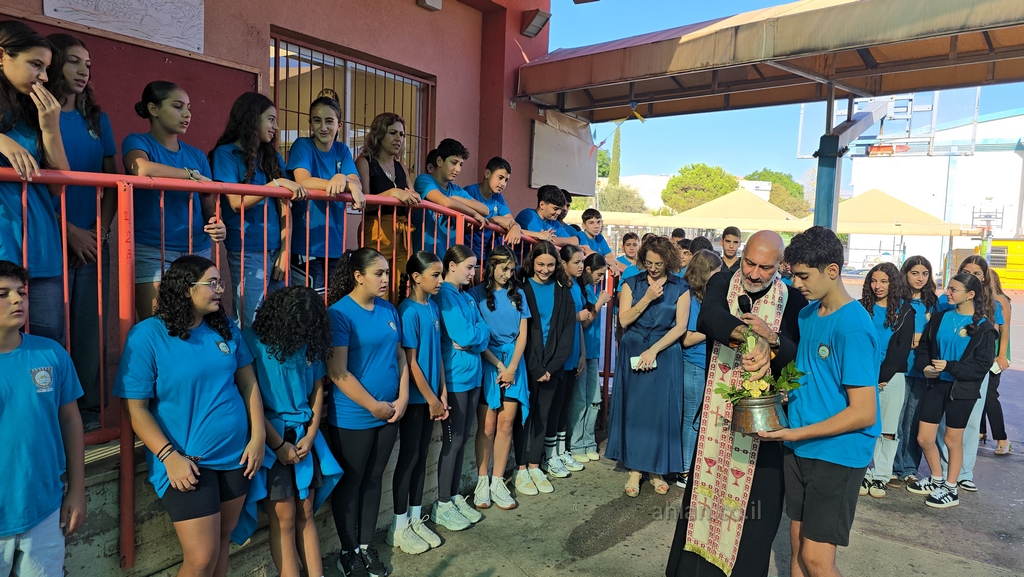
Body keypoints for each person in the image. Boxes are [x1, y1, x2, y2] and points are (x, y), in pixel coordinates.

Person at [668, 230, 807, 577]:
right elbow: (709, 317)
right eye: (749, 263)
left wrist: (773, 341)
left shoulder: (792, 299)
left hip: (764, 424)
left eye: (765, 267)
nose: (754, 274)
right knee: (703, 503)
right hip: (718, 420)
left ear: (781, 265)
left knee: (756, 515)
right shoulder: (723, 281)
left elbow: (796, 354)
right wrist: (750, 337)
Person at [115, 255, 265, 577]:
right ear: (185, 289)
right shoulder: (147, 336)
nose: (220, 290)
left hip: (237, 457)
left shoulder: (225, 328)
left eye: (220, 283)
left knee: (222, 542)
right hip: (186, 461)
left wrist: (258, 438)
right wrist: (169, 456)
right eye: (212, 283)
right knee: (200, 557)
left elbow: (248, 384)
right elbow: (135, 409)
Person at [758, 226, 880, 577]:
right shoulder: (808, 315)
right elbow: (808, 377)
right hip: (800, 447)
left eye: (803, 276)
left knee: (816, 559)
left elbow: (864, 412)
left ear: (832, 270)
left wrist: (795, 433)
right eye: (792, 275)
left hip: (837, 452)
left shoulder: (853, 327)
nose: (795, 284)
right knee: (797, 545)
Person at [232, 287, 342, 577]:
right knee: (284, 518)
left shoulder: (307, 342)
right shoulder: (250, 342)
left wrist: (311, 434)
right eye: (298, 326)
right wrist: (278, 445)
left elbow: (317, 389)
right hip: (271, 440)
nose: (302, 333)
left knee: (306, 512)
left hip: (305, 438)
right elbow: (250, 398)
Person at [44, 32, 118, 430]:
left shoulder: (97, 119)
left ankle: (89, 411)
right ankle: (51, 410)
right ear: (54, 62)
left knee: (90, 327)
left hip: (92, 240)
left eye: (88, 64)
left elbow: (112, 182)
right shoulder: (36, 114)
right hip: (49, 234)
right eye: (74, 61)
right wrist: (68, 230)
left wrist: (99, 233)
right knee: (50, 327)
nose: (83, 70)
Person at [0, 260, 86, 576]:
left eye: (21, 292)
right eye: (3, 293)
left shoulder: (51, 353)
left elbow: (70, 421)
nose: (17, 300)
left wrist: (77, 490)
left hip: (44, 508)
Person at [325, 247, 406, 577]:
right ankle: (348, 551)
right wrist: (373, 406)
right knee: (352, 482)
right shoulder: (339, 314)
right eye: (379, 273)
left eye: (387, 272)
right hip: (354, 416)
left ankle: (365, 545)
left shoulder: (389, 308)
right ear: (358, 276)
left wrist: (402, 398)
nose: (386, 279)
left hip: (390, 412)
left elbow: (400, 355)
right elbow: (337, 371)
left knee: (374, 479)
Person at [123, 81, 227, 320]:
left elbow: (208, 205)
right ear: (153, 108)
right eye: (178, 107)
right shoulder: (137, 141)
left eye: (189, 108)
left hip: (197, 249)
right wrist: (190, 175)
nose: (187, 114)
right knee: (159, 323)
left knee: (196, 321)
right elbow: (141, 169)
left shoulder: (196, 155)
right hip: (153, 249)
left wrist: (216, 223)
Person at [0, 22, 71, 345]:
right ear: (2, 56)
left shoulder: (34, 112)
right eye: (35, 64)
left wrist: (50, 127)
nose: (43, 76)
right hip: (4, 246)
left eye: (46, 69)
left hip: (40, 247)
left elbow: (58, 185)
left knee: (48, 339)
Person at [209, 92, 306, 326]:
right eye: (271, 119)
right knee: (251, 321)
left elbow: (284, 206)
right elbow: (235, 201)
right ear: (253, 118)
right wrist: (275, 185)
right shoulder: (226, 153)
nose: (276, 127)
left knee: (281, 320)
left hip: (276, 250)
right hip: (247, 251)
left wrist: (285, 252)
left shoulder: (272, 156)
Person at [607, 235, 689, 496]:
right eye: (649, 263)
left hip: (664, 351)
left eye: (658, 264)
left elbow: (681, 327)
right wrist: (647, 298)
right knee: (636, 411)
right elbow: (624, 320)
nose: (653, 268)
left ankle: (657, 470)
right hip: (634, 348)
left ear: (668, 262)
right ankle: (635, 468)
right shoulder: (632, 283)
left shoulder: (680, 286)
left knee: (660, 413)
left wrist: (654, 350)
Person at [907, 272, 996, 509]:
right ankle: (936, 479)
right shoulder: (939, 318)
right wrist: (925, 367)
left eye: (953, 289)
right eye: (948, 288)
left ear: (970, 294)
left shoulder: (985, 328)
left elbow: (981, 366)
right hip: (936, 385)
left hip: (962, 390)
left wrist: (949, 366)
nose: (947, 293)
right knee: (924, 438)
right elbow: (924, 347)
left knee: (952, 439)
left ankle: (951, 487)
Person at [933, 255, 1005, 493]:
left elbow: (999, 331)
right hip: (946, 369)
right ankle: (945, 470)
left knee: (972, 421)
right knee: (944, 424)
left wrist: (1001, 356)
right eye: (966, 271)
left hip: (974, 370)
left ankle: (964, 472)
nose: (972, 276)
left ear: (984, 278)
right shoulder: (946, 301)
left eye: (977, 273)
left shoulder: (993, 303)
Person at [431, 244, 489, 531]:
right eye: (468, 267)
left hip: (472, 375)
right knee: (453, 442)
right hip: (455, 378)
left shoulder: (466, 297)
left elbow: (482, 333)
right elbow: (464, 335)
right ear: (451, 266)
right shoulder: (445, 295)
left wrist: (474, 337)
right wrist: (474, 336)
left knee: (463, 439)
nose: (472, 272)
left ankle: (453, 497)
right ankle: (442, 503)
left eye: (474, 267)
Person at [392, 251, 446, 555]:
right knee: (409, 458)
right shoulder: (408, 311)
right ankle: (399, 526)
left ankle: (415, 518)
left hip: (432, 399)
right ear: (416, 277)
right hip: (416, 400)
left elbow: (437, 354)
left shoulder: (433, 307)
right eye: (435, 275)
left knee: (422, 456)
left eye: (441, 274)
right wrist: (430, 398)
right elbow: (411, 364)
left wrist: (442, 393)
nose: (440, 280)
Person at [469, 246, 530, 511]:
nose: (507, 274)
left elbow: (523, 334)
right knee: (487, 426)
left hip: (514, 365)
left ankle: (497, 482)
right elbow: (477, 336)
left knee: (506, 424)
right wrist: (499, 365)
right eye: (503, 269)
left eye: (511, 269)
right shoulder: (475, 295)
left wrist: (512, 368)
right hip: (489, 362)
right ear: (491, 266)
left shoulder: (519, 294)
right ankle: (482, 481)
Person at [514, 241, 577, 497]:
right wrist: (535, 366)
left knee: (543, 416)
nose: (545, 270)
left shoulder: (563, 289)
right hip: (527, 363)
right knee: (524, 417)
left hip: (552, 366)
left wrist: (550, 367)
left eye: (550, 265)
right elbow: (521, 332)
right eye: (540, 264)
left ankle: (535, 465)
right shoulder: (521, 286)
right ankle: (520, 468)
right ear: (532, 262)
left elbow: (567, 333)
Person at [287, 90, 366, 292]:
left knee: (333, 301)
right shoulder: (303, 145)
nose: (323, 127)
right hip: (306, 244)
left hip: (335, 244)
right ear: (310, 124)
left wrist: (343, 179)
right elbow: (303, 180)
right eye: (317, 121)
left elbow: (357, 184)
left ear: (339, 125)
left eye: (329, 121)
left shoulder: (342, 150)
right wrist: (340, 181)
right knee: (311, 303)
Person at [859, 263, 915, 499]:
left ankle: (881, 476)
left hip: (892, 378)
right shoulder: (861, 308)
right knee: (862, 427)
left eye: (883, 281)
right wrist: (869, 377)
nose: (878, 286)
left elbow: (902, 350)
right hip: (863, 376)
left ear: (893, 283)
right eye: (874, 280)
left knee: (889, 430)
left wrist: (882, 377)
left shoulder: (906, 311)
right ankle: (862, 472)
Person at [356, 112, 421, 289]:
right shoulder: (364, 162)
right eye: (393, 133)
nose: (399, 138)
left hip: (402, 230)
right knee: (376, 285)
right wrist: (392, 193)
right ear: (379, 135)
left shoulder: (401, 167)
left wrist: (415, 198)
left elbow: (412, 196)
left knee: (402, 286)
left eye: (402, 134)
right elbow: (365, 202)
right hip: (376, 228)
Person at [677, 249, 722, 490]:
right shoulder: (691, 297)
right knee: (692, 419)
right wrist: (714, 327)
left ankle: (690, 467)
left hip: (703, 363)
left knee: (697, 418)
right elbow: (687, 338)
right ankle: (685, 469)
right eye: (716, 272)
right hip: (694, 363)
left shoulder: (703, 296)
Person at [892, 255, 938, 486]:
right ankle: (893, 467)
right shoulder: (896, 300)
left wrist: (916, 339)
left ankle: (909, 468)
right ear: (905, 274)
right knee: (895, 420)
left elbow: (932, 337)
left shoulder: (933, 303)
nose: (920, 278)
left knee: (913, 421)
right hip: (899, 369)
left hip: (922, 371)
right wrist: (914, 339)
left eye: (925, 274)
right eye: (915, 273)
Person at [547, 244, 590, 479]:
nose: (581, 266)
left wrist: (582, 353)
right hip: (560, 355)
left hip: (574, 353)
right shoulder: (558, 286)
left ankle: (562, 450)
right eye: (576, 262)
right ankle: (550, 454)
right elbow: (555, 319)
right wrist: (576, 317)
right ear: (563, 263)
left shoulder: (575, 286)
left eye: (582, 261)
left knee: (565, 405)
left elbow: (579, 325)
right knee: (555, 406)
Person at [412, 140, 488, 257]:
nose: (458, 169)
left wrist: (456, 199)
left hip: (449, 260)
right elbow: (445, 202)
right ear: (439, 161)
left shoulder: (456, 191)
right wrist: (473, 213)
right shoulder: (424, 180)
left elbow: (484, 210)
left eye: (461, 164)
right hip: (425, 258)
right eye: (454, 162)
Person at [568, 253, 610, 463]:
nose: (600, 279)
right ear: (588, 270)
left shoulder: (590, 290)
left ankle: (588, 441)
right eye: (599, 274)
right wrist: (600, 302)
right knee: (580, 399)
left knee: (594, 400)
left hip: (593, 352)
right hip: (581, 351)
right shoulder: (579, 289)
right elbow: (584, 322)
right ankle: (576, 443)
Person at [464, 157, 522, 261]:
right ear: (487, 173)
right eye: (500, 178)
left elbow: (510, 221)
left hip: (482, 255)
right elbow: (466, 226)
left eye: (506, 180)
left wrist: (516, 226)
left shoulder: (498, 197)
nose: (503, 184)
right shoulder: (470, 192)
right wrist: (496, 220)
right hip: (465, 253)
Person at [983, 271, 1012, 455]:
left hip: (994, 356)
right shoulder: (978, 299)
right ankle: (981, 431)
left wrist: (1001, 355)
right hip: (979, 355)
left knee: (989, 395)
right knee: (978, 394)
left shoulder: (1000, 300)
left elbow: (1004, 330)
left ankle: (1002, 437)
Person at [514, 185, 579, 248]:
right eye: (555, 209)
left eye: (560, 209)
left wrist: (569, 240)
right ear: (542, 205)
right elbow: (545, 240)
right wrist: (569, 241)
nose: (558, 213)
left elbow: (569, 240)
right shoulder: (529, 215)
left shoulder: (555, 223)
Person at [574, 209, 623, 275]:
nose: (596, 226)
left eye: (598, 222)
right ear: (584, 226)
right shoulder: (581, 235)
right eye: (591, 223)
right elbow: (589, 253)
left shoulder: (600, 237)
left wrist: (631, 270)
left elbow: (612, 259)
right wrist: (609, 262)